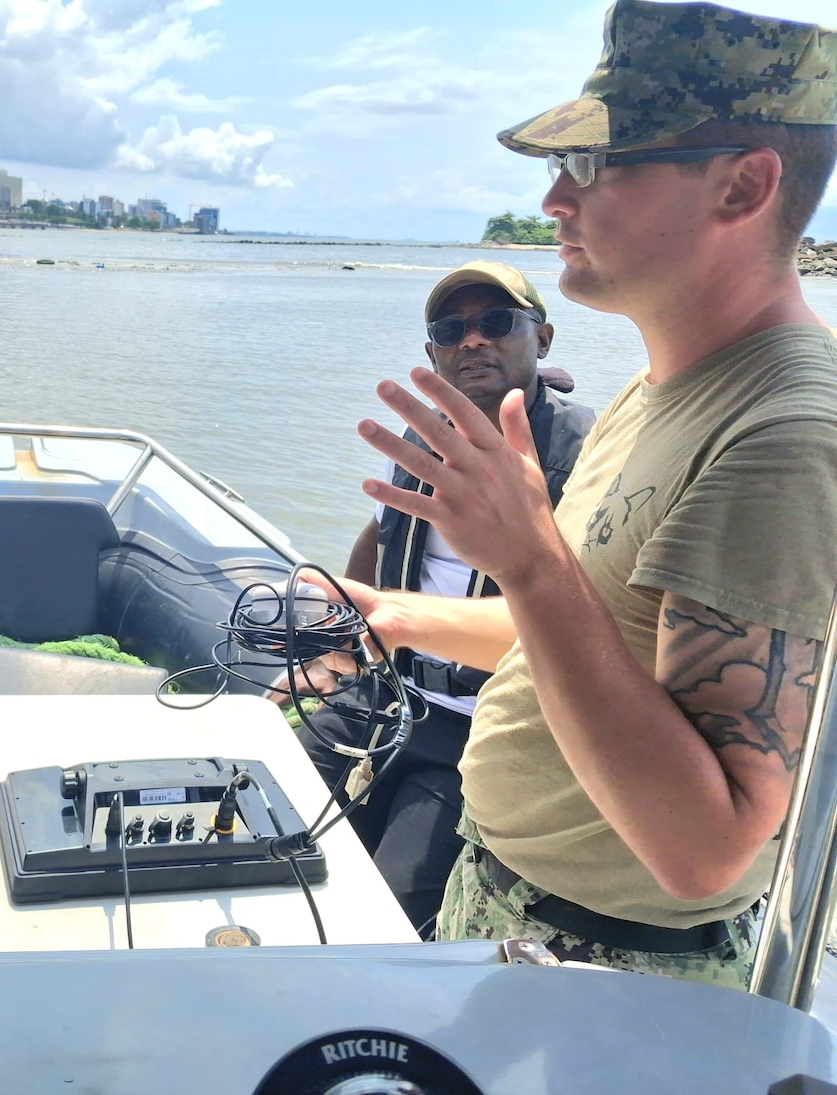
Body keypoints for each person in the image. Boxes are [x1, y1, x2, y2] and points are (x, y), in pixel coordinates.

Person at [314, 0, 837, 988]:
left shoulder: (785, 433)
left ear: (743, 185)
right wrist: (389, 613)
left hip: (614, 966)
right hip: (509, 904)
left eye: (596, 164)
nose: (553, 197)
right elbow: (590, 641)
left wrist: (524, 557)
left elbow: (705, 847)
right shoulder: (665, 386)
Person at [294, 262, 595, 937]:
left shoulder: (587, 451)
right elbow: (382, 531)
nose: (472, 341)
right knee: (265, 829)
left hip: (481, 720)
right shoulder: (420, 435)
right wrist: (341, 635)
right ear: (433, 353)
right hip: (388, 694)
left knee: (395, 914)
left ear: (541, 338)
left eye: (496, 323)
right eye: (450, 329)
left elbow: (594, 609)